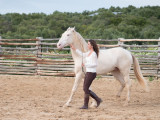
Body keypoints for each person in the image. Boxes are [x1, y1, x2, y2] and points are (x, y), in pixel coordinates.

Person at [70, 40, 102, 109]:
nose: (87, 45)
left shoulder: (93, 54)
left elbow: (95, 64)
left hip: (91, 73)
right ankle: (97, 100)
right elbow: (82, 54)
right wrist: (74, 49)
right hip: (88, 72)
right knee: (85, 88)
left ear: (92, 46)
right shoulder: (89, 53)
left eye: (88, 44)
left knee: (85, 88)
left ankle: (88, 104)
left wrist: (85, 64)